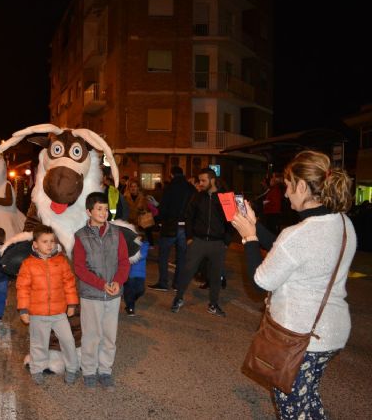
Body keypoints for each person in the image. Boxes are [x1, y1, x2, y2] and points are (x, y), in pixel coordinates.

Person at [232, 150, 357, 419]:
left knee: (292, 408)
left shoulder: (298, 235)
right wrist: (256, 227)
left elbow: (259, 282)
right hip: (330, 333)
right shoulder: (343, 223)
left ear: (302, 186)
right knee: (307, 400)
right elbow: (288, 249)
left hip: (299, 338)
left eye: (288, 186)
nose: (286, 193)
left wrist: (249, 238)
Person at [73, 192, 130, 390]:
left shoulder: (117, 233)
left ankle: (105, 370)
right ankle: (89, 370)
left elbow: (124, 262)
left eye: (106, 209)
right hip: (91, 294)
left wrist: (117, 281)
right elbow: (79, 268)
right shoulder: (81, 236)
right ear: (89, 211)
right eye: (99, 209)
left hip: (113, 294)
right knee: (91, 335)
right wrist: (100, 284)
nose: (103, 212)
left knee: (109, 335)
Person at [17, 224, 79, 385]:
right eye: (45, 241)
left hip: (59, 313)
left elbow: (69, 283)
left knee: (68, 341)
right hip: (37, 313)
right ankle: (37, 368)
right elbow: (22, 288)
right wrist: (23, 309)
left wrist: (72, 303)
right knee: (39, 344)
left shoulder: (61, 261)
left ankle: (72, 368)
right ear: (35, 244)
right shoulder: (28, 264)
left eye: (52, 241)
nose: (49, 245)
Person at [171, 168, 231, 317]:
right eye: (199, 181)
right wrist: (190, 238)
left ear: (212, 180)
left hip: (217, 243)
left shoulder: (225, 197)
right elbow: (188, 217)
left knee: (216, 276)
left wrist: (226, 241)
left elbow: (232, 221)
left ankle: (213, 304)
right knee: (187, 272)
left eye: (203, 180)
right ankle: (178, 299)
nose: (200, 183)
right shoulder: (197, 197)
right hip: (198, 241)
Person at [148, 166, 196, 291]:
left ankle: (163, 283)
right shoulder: (191, 188)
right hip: (185, 227)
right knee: (181, 257)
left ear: (171, 174)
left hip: (170, 225)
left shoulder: (169, 188)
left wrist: (158, 218)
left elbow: (163, 209)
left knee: (163, 255)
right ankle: (177, 284)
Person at [123, 234, 149, 316]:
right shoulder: (129, 244)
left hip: (141, 274)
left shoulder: (144, 245)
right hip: (130, 273)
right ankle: (130, 308)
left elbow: (142, 255)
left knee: (141, 290)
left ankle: (130, 300)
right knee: (130, 290)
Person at [123, 179, 154, 246]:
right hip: (129, 222)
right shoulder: (125, 197)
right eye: (131, 186)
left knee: (138, 242)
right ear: (129, 188)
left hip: (139, 222)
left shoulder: (143, 198)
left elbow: (146, 209)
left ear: (138, 188)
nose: (133, 188)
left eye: (135, 186)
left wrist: (142, 210)